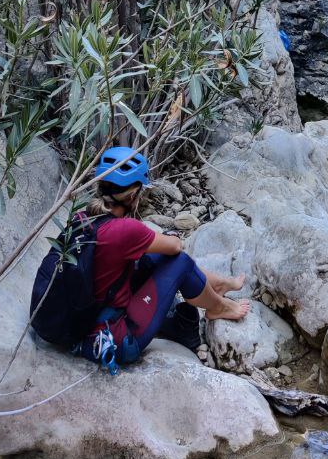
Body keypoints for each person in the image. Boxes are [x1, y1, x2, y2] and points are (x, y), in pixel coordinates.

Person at [80, 147, 250, 368]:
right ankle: (218, 306)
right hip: (113, 339)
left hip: (88, 316)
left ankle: (219, 285)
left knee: (153, 257)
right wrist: (169, 237)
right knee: (180, 261)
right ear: (132, 195)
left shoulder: (82, 217)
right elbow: (176, 246)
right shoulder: (125, 229)